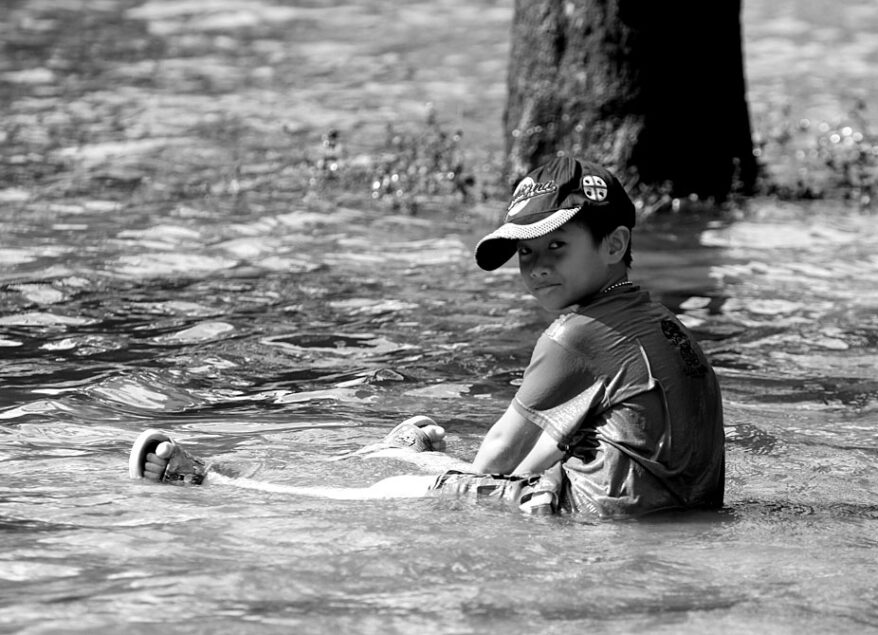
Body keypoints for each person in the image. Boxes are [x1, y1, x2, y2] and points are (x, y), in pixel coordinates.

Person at [129, 155, 725, 517]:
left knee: (406, 492)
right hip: (654, 506)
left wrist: (441, 477)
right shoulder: (658, 321)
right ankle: (415, 452)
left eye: (557, 247)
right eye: (525, 252)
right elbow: (556, 449)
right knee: (447, 474)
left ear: (615, 245)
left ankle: (211, 482)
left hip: (605, 517)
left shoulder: (577, 335)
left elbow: (497, 457)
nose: (537, 266)